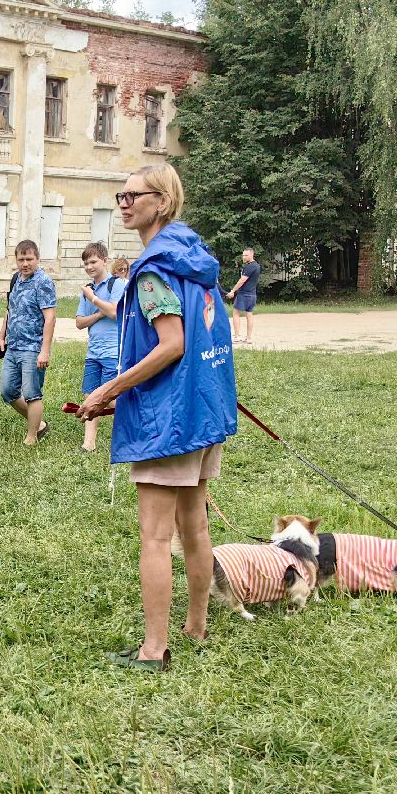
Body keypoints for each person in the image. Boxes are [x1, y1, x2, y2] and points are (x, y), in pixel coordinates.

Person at [76, 163, 237, 671]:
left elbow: (172, 344)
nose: (123, 202)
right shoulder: (193, 258)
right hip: (204, 409)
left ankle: (154, 649)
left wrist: (111, 387)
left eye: (133, 195)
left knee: (155, 537)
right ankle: (196, 625)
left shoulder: (153, 270)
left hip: (168, 419)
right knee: (195, 525)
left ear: (161, 203)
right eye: (119, 194)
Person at [0, 239, 57, 446]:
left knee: (32, 394)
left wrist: (44, 351)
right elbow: (9, 310)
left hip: (33, 348)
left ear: (37, 258)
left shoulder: (43, 282)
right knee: (7, 391)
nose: (25, 264)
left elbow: (50, 317)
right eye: (21, 259)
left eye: (29, 259)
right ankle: (39, 424)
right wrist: (2, 336)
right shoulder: (16, 279)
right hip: (13, 346)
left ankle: (32, 437)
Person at [73, 241, 126, 453]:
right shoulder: (88, 290)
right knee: (90, 397)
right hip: (93, 351)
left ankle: (134, 431)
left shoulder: (117, 284)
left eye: (93, 261)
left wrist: (93, 299)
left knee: (111, 399)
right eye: (85, 263)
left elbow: (115, 313)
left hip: (113, 351)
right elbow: (79, 322)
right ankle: (89, 444)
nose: (89, 267)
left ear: (105, 260)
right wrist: (99, 311)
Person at [225, 247, 260, 344]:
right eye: (243, 255)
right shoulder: (256, 266)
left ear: (252, 255)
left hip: (244, 294)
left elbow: (242, 281)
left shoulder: (250, 267)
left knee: (236, 313)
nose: (244, 257)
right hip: (252, 294)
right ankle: (249, 338)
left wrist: (232, 291)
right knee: (249, 314)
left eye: (246, 255)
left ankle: (237, 336)